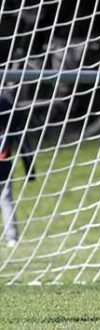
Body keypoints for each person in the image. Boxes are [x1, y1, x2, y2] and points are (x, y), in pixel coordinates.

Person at [0, 93, 35, 247]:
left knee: (6, 198)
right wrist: (30, 169)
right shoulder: (9, 105)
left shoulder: (8, 106)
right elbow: (22, 139)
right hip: (4, 160)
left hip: (3, 160)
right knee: (6, 199)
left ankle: (12, 236)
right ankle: (12, 237)